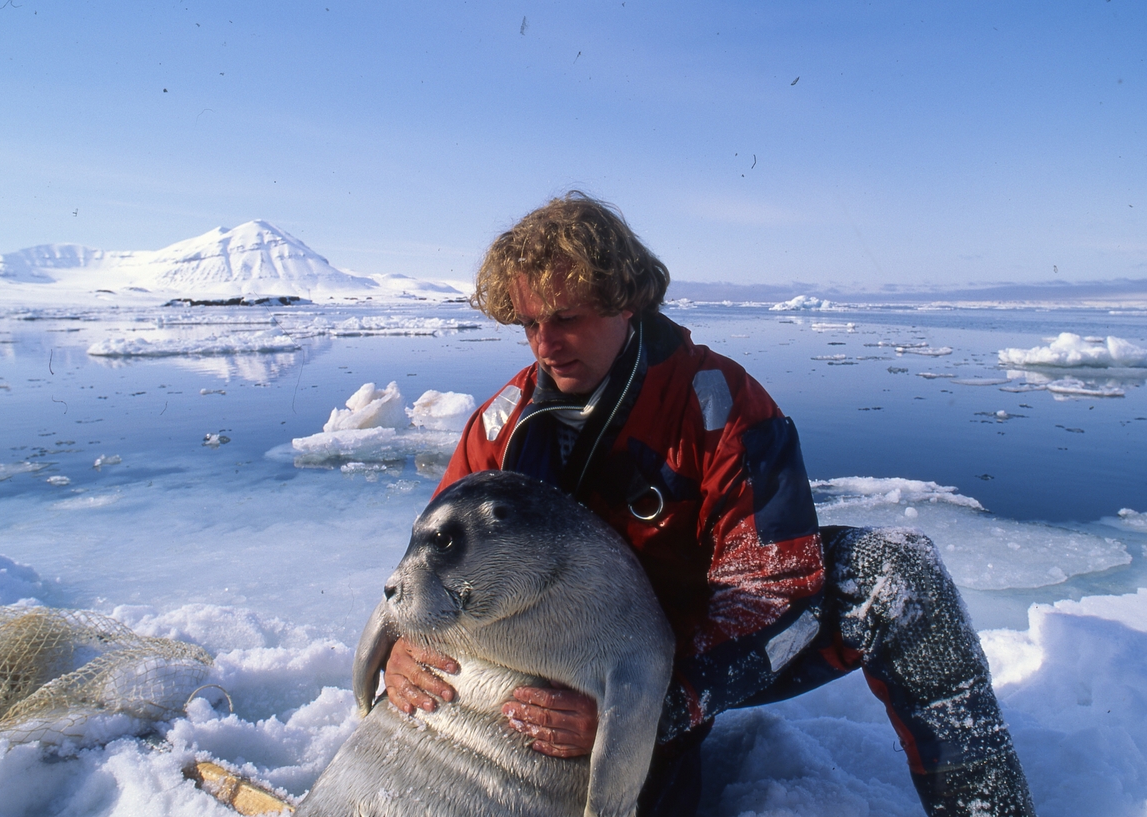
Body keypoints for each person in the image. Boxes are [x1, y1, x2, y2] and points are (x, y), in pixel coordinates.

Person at [382, 192, 1035, 817]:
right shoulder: (504, 425)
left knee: (894, 573)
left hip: (679, 659)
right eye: (530, 323)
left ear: (625, 303)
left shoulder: (718, 404)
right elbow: (436, 554)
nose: (545, 345)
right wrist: (406, 639)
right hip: (542, 668)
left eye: (567, 318)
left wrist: (645, 709)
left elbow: (777, 589)